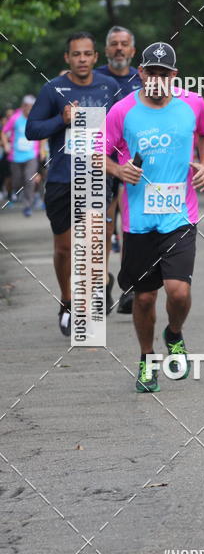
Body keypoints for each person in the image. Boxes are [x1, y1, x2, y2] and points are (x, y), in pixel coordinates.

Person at [102, 42, 204, 392]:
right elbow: (97, 153)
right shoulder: (122, 111)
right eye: (151, 71)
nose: (157, 78)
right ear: (141, 73)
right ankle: (147, 359)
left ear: (174, 76)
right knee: (145, 297)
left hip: (180, 215)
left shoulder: (193, 104)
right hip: (138, 220)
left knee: (178, 292)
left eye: (164, 73)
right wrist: (118, 171)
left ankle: (174, 333)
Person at [26, 32, 121, 336]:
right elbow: (32, 130)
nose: (82, 59)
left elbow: (123, 129)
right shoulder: (53, 89)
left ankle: (88, 306)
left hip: (95, 177)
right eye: (76, 54)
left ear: (96, 58)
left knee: (92, 245)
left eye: (87, 54)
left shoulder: (110, 88)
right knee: (65, 248)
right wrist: (62, 120)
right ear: (67, 58)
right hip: (61, 179)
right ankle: (67, 301)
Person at [96, 26, 142, 311]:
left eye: (124, 44)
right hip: (103, 163)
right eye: (114, 45)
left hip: (137, 162)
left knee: (132, 227)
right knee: (103, 227)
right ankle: (100, 282)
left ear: (133, 50)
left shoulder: (143, 78)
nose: (119, 49)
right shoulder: (95, 78)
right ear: (106, 50)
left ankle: (130, 286)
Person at [1, 95, 40, 217]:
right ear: (23, 106)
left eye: (32, 107)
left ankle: (28, 205)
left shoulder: (37, 118)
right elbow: (3, 132)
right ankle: (17, 192)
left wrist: (42, 150)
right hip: (15, 156)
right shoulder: (15, 118)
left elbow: (42, 133)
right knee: (17, 181)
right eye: (28, 106)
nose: (30, 109)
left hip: (31, 155)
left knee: (29, 178)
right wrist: (6, 144)